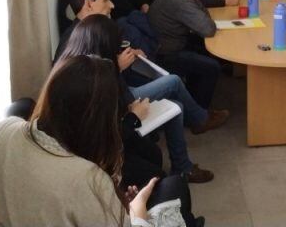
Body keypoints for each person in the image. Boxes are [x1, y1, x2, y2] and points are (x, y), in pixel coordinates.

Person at [0, 55, 179, 227]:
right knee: (173, 188)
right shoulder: (87, 178)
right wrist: (137, 214)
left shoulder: (2, 131)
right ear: (100, 118)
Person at [61, 15, 217, 187]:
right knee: (174, 81)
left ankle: (182, 167)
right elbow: (115, 105)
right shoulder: (87, 75)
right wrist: (118, 68)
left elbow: (119, 90)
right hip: (121, 114)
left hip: (123, 100)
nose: (111, 4)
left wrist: (126, 63)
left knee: (177, 107)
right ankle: (200, 120)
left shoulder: (88, 51)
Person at [148, 0, 222, 109]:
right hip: (167, 53)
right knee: (212, 67)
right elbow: (208, 28)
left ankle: (193, 97)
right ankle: (200, 116)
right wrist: (202, 12)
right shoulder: (179, 1)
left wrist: (199, 5)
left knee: (206, 50)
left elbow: (204, 16)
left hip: (170, 43)